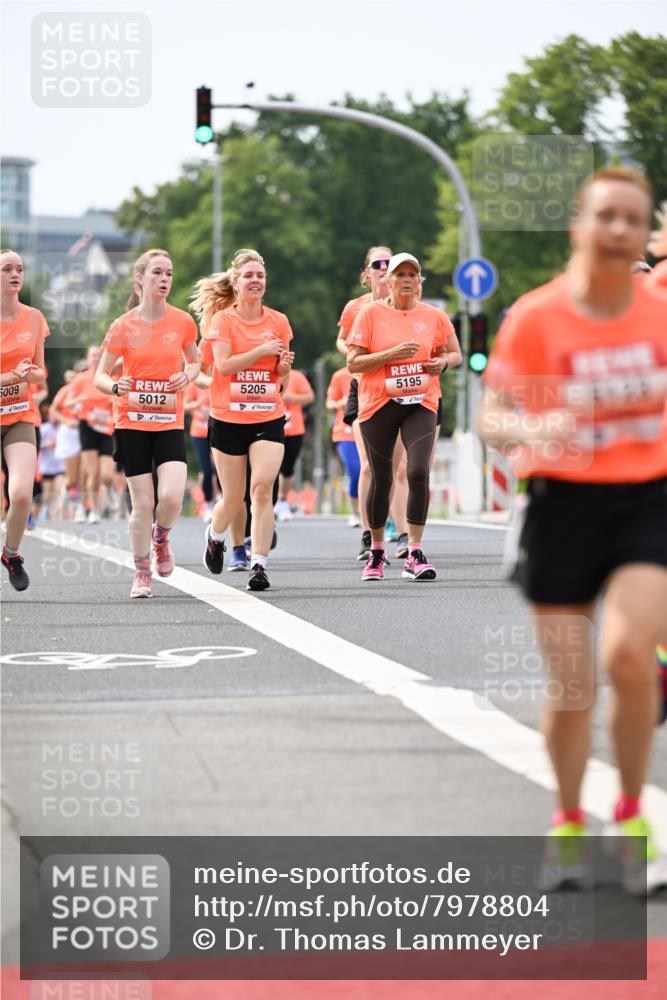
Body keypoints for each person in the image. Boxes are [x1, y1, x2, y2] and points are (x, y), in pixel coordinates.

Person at [478, 167, 667, 894]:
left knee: (627, 655)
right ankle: (565, 821)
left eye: (632, 218)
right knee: (571, 685)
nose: (618, 229)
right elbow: (493, 419)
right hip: (560, 506)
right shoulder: (537, 317)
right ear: (577, 226)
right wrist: (533, 424)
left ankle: (630, 816)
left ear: (643, 233)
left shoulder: (657, 312)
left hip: (647, 502)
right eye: (605, 216)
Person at [347, 252, 462, 582]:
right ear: (390, 281)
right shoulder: (370, 314)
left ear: (419, 281)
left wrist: (442, 364)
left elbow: (454, 353)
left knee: (417, 470)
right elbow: (354, 363)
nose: (407, 279)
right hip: (377, 403)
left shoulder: (435, 316)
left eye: (413, 274)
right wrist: (390, 356)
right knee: (382, 477)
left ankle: (415, 550)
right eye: (401, 275)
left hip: (421, 402)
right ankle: (378, 551)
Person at [94, 248, 200, 599]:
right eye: (157, 273)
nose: (165, 279)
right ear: (140, 279)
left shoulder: (183, 322)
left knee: (170, 497)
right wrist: (115, 385)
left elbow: (196, 363)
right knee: (142, 502)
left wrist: (188, 375)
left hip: (169, 421)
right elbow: (99, 375)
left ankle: (162, 537)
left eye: (169, 273)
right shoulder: (123, 326)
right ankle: (141, 572)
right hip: (132, 422)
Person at [191, 249, 294, 592]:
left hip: (268, 415)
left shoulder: (278, 321)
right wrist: (262, 352)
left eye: (260, 276)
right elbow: (223, 367)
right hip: (228, 417)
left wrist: (282, 365)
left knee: (262, 489)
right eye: (248, 276)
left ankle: (259, 564)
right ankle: (215, 535)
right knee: (233, 497)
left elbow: (282, 378)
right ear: (235, 283)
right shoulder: (222, 322)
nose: (255, 281)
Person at [337, 246, 409, 559]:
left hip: (398, 389)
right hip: (363, 388)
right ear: (367, 273)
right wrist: (356, 355)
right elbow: (341, 339)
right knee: (368, 464)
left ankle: (398, 530)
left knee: (396, 469)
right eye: (377, 263)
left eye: (388, 263)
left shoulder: (406, 306)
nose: (383, 267)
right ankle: (368, 535)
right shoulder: (356, 307)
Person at [0, 249, 50, 590]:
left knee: (20, 494)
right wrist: (9, 378)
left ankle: (12, 554)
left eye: (20, 269)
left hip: (20, 415)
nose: (15, 274)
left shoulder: (34, 318)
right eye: (7, 269)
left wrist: (29, 375)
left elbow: (41, 373)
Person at [67, 345, 116, 522]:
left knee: (107, 475)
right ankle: (92, 509)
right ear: (88, 359)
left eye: (99, 355)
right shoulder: (81, 379)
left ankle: (108, 494)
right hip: (87, 426)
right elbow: (68, 403)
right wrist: (79, 400)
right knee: (92, 472)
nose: (96, 358)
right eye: (93, 355)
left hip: (106, 429)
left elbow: (120, 398)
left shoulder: (109, 377)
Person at [275, 368, 314, 521]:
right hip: (270, 426)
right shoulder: (265, 373)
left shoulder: (296, 376)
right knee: (270, 467)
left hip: (294, 428)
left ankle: (283, 501)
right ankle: (267, 502)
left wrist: (292, 398)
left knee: (288, 468)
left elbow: (310, 397)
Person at [326, 363, 361, 526]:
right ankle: (355, 511)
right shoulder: (340, 375)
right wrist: (341, 402)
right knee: (355, 471)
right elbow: (329, 403)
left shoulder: (374, 370)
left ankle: (377, 514)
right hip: (344, 432)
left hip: (369, 429)